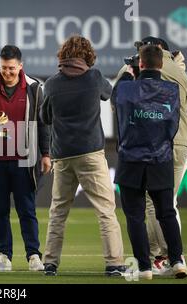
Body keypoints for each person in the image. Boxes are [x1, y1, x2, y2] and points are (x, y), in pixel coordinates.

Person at [40, 35, 125, 277]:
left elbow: (45, 117)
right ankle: (114, 264)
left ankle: (50, 263)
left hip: (63, 155)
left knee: (58, 211)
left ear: (63, 56)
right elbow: (109, 94)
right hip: (90, 153)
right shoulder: (94, 77)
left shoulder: (52, 84)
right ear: (87, 56)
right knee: (105, 210)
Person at [112, 44, 187, 280]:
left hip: (131, 161)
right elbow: (172, 126)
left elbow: (115, 97)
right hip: (160, 158)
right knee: (166, 212)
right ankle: (177, 261)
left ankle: (144, 267)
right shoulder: (172, 91)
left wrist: (128, 71)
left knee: (135, 216)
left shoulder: (126, 89)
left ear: (140, 64)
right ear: (162, 64)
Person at [0, 45, 50, 271]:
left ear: (20, 66)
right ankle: (4, 256)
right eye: (3, 68)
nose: (7, 72)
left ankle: (33, 255)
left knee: (27, 210)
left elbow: (43, 124)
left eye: (12, 68)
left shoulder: (34, 88)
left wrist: (46, 153)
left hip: (24, 160)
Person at [148, 50, 187, 275]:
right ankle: (167, 256)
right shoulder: (184, 77)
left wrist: (185, 147)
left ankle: (169, 256)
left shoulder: (173, 78)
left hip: (174, 145)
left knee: (163, 201)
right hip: (182, 145)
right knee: (165, 201)